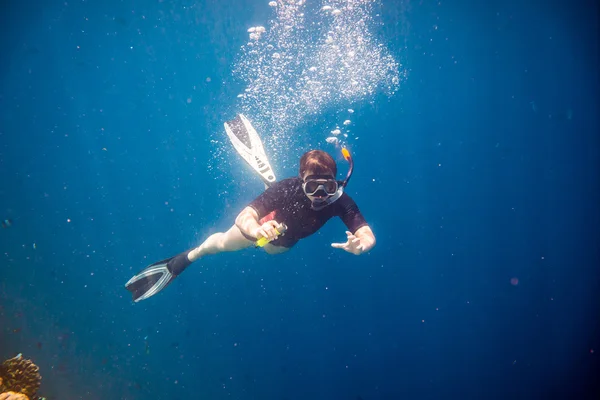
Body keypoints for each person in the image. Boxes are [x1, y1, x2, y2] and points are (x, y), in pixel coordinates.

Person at [125, 116, 375, 302]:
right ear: (301, 181)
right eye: (312, 185)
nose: (320, 194)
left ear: (337, 182)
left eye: (327, 186)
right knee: (221, 244)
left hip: (283, 244)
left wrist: (361, 246)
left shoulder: (340, 200)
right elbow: (244, 216)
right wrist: (257, 230)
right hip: (266, 228)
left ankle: (268, 193)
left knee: (273, 249)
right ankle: (189, 256)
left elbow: (365, 232)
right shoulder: (288, 189)